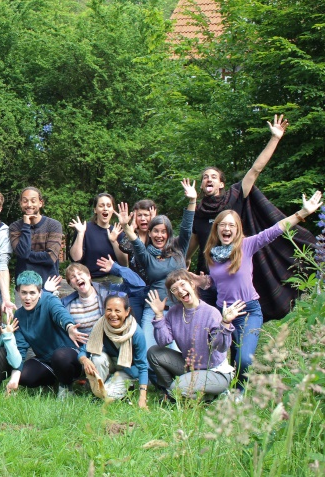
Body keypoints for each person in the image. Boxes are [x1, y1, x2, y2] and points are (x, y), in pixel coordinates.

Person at [187, 115, 315, 319]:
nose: (208, 178)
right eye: (205, 177)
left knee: (238, 329)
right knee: (209, 330)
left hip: (236, 272)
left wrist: (275, 138)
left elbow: (256, 169)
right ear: (202, 186)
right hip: (209, 278)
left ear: (221, 184)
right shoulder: (198, 215)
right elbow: (190, 248)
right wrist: (184, 264)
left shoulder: (234, 197)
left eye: (213, 176)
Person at [195, 190, 322, 391]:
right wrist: (206, 282)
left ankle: (239, 391)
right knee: (233, 356)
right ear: (217, 229)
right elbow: (219, 282)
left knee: (245, 358)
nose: (227, 228)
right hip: (225, 313)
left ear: (237, 230)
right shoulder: (211, 254)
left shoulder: (246, 245)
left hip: (248, 310)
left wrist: (301, 214)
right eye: (223, 225)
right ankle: (234, 392)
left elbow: (275, 230)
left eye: (231, 225)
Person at [118, 180, 197, 350]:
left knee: (178, 353)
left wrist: (192, 201)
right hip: (153, 309)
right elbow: (134, 242)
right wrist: (125, 225)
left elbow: (186, 228)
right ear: (150, 232)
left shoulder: (179, 248)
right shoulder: (146, 255)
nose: (159, 235)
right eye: (156, 231)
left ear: (168, 233)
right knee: (148, 352)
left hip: (180, 309)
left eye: (163, 231)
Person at [146, 270, 245, 400]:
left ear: (192, 284)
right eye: (174, 289)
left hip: (214, 372)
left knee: (177, 387)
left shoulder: (211, 313)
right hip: (190, 366)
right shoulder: (174, 313)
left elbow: (221, 347)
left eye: (182, 285)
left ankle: (207, 396)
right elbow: (163, 341)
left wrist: (225, 323)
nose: (180, 291)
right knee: (154, 352)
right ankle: (172, 393)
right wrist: (159, 315)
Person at [6, 271, 88, 399]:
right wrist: (14, 378)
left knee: (59, 356)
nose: (28, 297)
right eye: (24, 293)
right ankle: (54, 381)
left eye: (32, 293)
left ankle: (66, 387)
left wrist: (70, 327)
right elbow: (21, 348)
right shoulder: (19, 316)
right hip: (46, 360)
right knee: (24, 376)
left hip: (69, 356)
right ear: (18, 292)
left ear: (40, 292)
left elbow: (60, 314)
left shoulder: (49, 300)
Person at [78, 293, 148, 408]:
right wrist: (85, 360)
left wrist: (142, 399)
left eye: (118, 311)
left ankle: (120, 387)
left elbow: (143, 366)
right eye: (109, 310)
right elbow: (83, 350)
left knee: (108, 396)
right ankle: (99, 388)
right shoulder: (100, 326)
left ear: (127, 312)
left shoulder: (136, 332)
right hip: (110, 363)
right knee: (97, 358)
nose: (113, 314)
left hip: (127, 369)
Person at [62, 255, 145, 335]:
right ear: (71, 285)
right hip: (82, 348)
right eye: (73, 277)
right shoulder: (67, 304)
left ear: (88, 276)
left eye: (80, 274)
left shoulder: (108, 291)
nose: (77, 278)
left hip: (109, 345)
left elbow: (138, 287)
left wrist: (116, 268)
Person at [68, 193, 128, 283]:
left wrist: (114, 241)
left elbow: (124, 263)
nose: (105, 208)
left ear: (112, 210)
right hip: (90, 281)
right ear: (95, 210)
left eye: (109, 206)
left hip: (115, 280)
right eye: (101, 205)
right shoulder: (84, 229)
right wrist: (80, 234)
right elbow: (75, 258)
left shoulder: (117, 231)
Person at [9, 187, 64, 283]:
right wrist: (26, 226)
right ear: (21, 204)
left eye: (33, 201)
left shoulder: (53, 225)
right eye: (25, 201)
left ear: (40, 203)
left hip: (49, 284)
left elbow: (50, 258)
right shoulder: (15, 227)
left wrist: (26, 257)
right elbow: (23, 252)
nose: (29, 204)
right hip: (24, 286)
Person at [117, 199, 157, 281]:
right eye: (139, 215)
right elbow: (123, 247)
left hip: (154, 283)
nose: (142, 218)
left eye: (146, 215)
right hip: (136, 284)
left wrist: (154, 224)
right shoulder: (133, 235)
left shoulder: (156, 236)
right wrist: (131, 226)